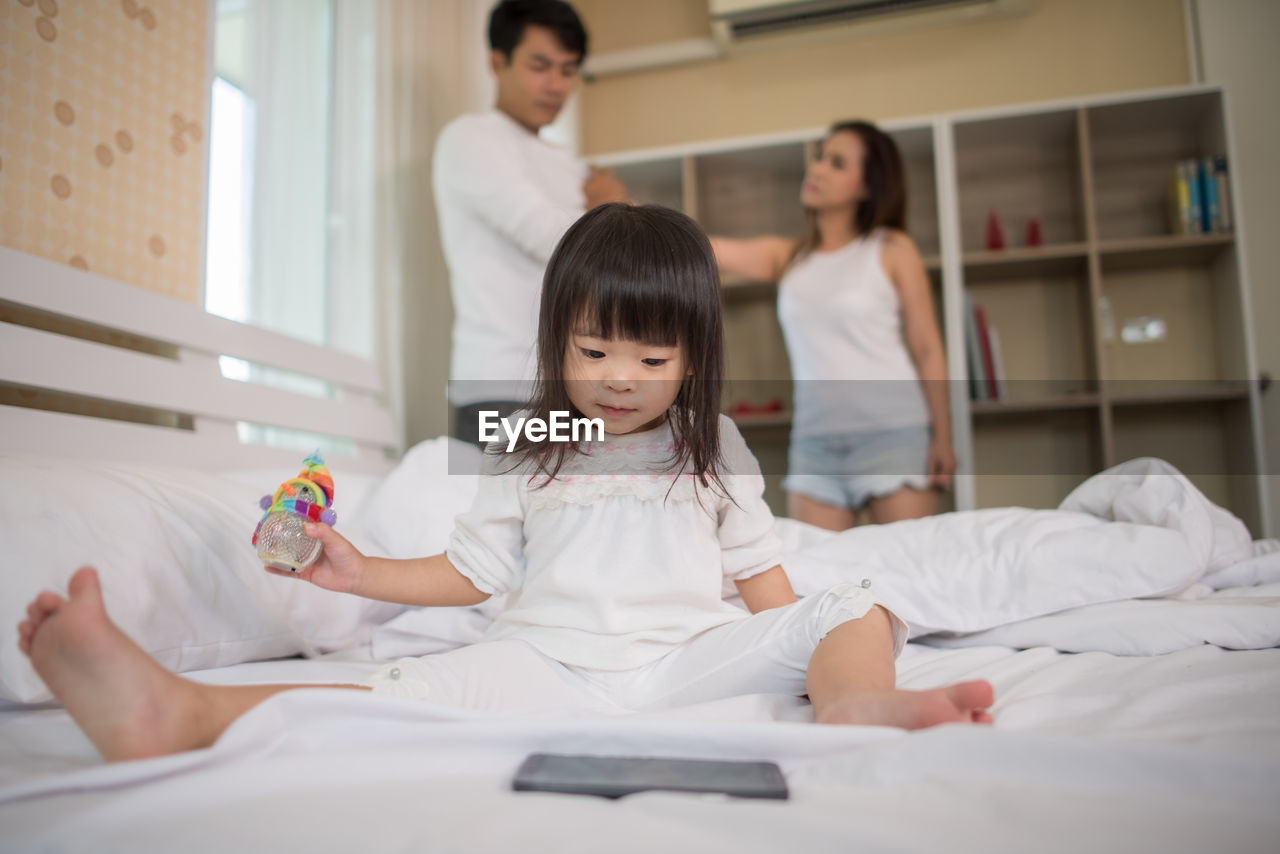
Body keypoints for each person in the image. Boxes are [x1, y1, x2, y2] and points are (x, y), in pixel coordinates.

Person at [17, 204, 993, 763]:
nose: (619, 376)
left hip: (681, 660)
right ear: (552, 344)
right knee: (387, 682)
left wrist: (804, 644)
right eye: (594, 348)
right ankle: (175, 711)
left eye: (652, 360)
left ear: (693, 359)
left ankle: (854, 705)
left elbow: (765, 584)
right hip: (544, 659)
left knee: (853, 603)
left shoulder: (715, 448)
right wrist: (357, 572)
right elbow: (470, 569)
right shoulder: (531, 439)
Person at [711, 120, 957, 531]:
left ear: (867, 186)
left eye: (837, 163)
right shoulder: (788, 257)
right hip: (815, 444)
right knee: (817, 576)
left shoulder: (892, 248)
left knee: (904, 573)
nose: (819, 169)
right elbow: (705, 248)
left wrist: (944, 439)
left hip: (894, 434)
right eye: (821, 157)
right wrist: (632, 215)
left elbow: (928, 347)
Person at [435, 0, 628, 446]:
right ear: (496, 62)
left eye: (568, 70)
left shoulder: (568, 164)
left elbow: (615, 259)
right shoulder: (471, 138)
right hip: (499, 386)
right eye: (540, 66)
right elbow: (549, 236)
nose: (556, 85)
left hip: (573, 389)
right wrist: (610, 206)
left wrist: (609, 210)